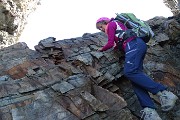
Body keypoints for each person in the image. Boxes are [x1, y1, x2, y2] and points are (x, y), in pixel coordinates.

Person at [96, 17, 178, 120]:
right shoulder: (118, 27)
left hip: (133, 45)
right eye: (99, 29)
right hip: (136, 45)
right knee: (135, 80)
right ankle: (150, 111)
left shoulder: (112, 24)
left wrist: (100, 49)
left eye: (101, 27)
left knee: (129, 72)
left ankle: (164, 94)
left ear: (105, 22)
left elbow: (110, 43)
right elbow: (118, 43)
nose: (101, 30)